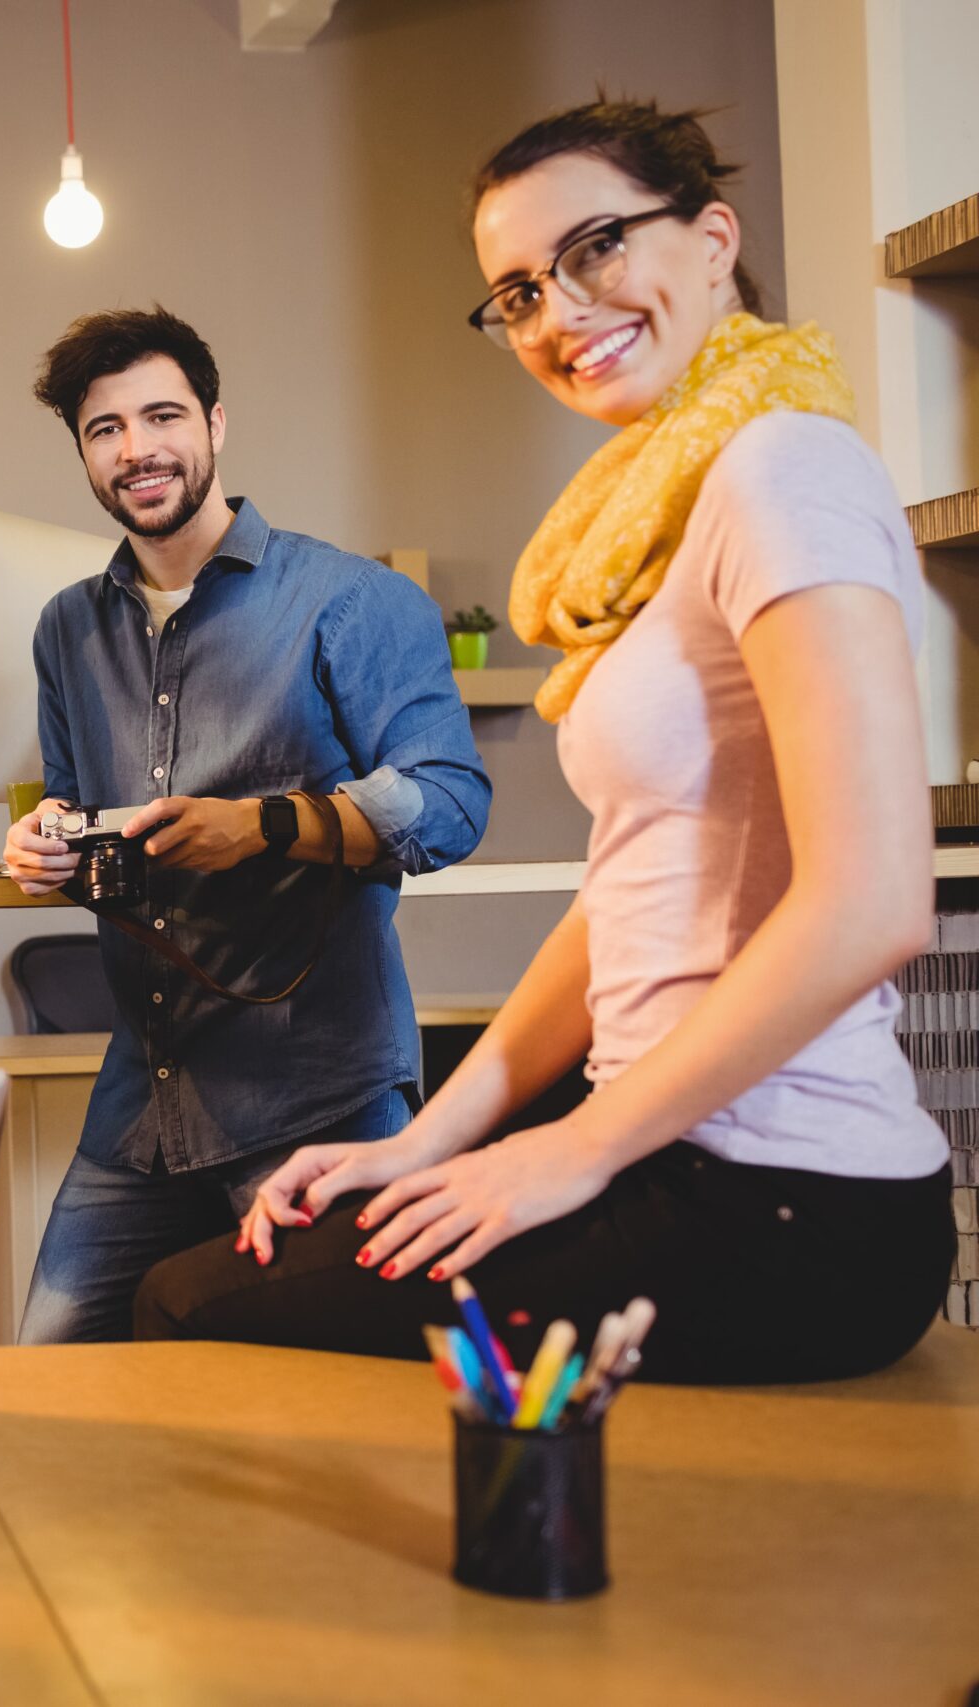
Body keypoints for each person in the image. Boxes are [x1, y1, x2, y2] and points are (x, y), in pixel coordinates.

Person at [137, 98, 953, 1383]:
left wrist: (568, 1149)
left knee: (196, 1314)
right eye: (516, 291)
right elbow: (624, 905)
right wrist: (433, 1139)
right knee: (215, 1279)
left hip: (786, 1198)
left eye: (595, 249)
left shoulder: (783, 469)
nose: (559, 312)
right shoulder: (667, 516)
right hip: (673, 1149)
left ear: (712, 242)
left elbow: (871, 904)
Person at [0, 307, 491, 1342]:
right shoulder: (63, 628)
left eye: (161, 415)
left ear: (216, 424)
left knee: (345, 1409)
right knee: (43, 1383)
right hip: (142, 1107)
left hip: (315, 1103)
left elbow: (450, 803)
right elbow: (75, 800)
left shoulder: (355, 601)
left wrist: (265, 827)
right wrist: (47, 839)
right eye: (103, 429)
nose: (136, 449)